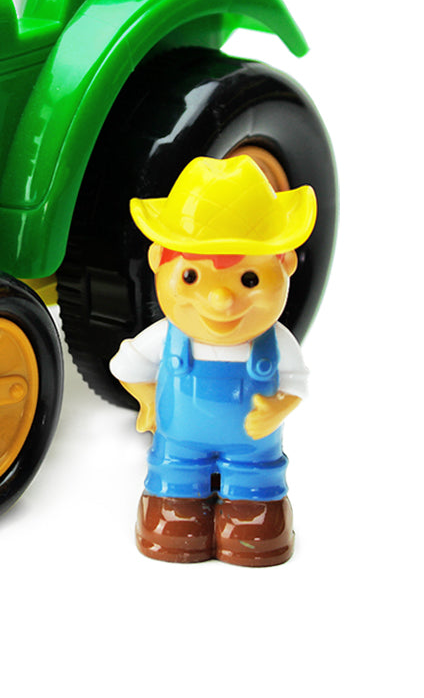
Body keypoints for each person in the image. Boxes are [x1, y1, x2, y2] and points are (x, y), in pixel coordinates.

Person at [110, 154, 317, 566]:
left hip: (253, 451)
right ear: (158, 261)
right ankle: (174, 507)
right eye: (191, 277)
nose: (221, 300)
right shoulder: (166, 337)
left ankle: (253, 510)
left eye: (249, 279)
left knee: (255, 505)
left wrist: (277, 409)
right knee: (174, 493)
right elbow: (126, 365)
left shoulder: (276, 341)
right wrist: (149, 401)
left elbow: (297, 384)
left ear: (286, 264)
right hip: (179, 446)